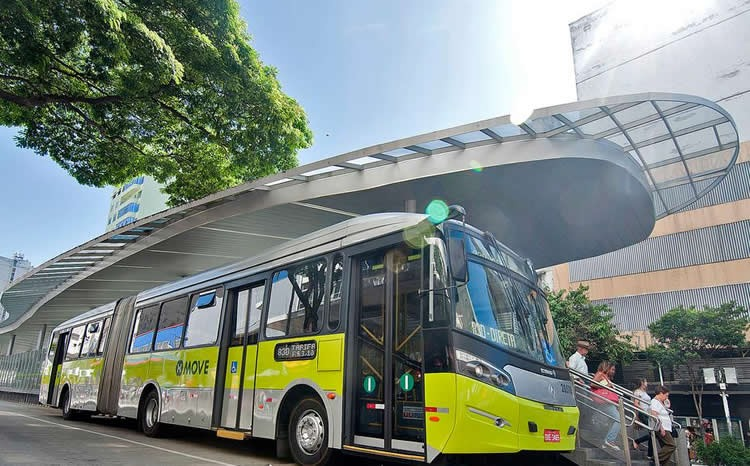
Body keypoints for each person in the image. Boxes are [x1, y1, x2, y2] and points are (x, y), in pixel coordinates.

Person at [591, 361, 621, 451]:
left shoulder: (607, 378)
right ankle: (609, 440)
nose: (613, 371)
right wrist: (607, 386)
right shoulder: (600, 374)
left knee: (613, 421)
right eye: (612, 369)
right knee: (618, 420)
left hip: (608, 402)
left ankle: (606, 442)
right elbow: (592, 384)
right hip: (605, 402)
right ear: (607, 368)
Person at [650, 385, 676, 466]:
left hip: (666, 427)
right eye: (666, 395)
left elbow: (666, 409)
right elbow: (654, 414)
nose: (666, 397)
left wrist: (666, 402)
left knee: (666, 448)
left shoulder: (660, 402)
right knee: (671, 445)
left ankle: (663, 463)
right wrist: (661, 428)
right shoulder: (654, 402)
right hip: (662, 427)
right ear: (661, 393)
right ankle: (655, 458)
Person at [631, 378, 653, 458]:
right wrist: (643, 410)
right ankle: (650, 454)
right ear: (642, 383)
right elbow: (636, 403)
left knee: (653, 433)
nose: (647, 383)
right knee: (653, 431)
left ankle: (638, 442)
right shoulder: (638, 392)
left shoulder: (644, 392)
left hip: (648, 413)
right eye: (646, 381)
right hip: (643, 413)